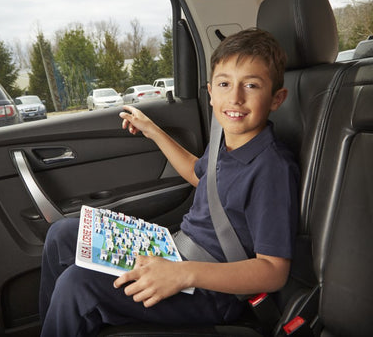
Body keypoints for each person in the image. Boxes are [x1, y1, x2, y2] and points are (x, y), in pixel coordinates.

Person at [39, 28, 299, 336]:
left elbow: (272, 272)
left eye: (252, 85)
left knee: (78, 284)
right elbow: (199, 176)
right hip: (175, 251)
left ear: (276, 99)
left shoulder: (272, 169)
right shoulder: (226, 141)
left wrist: (182, 274)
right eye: (225, 84)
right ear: (211, 92)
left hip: (213, 290)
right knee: (63, 232)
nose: (236, 97)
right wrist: (152, 130)